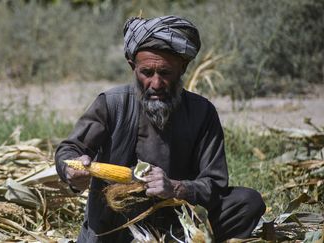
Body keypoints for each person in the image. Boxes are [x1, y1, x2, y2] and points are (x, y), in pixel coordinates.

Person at [55, 15, 265, 242]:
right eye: (146, 73)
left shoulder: (202, 113)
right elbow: (69, 149)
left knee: (247, 201)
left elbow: (214, 184)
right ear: (132, 66)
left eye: (165, 73)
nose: (156, 84)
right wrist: (71, 172)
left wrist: (175, 188)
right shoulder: (112, 104)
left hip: (178, 222)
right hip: (118, 225)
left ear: (183, 68)